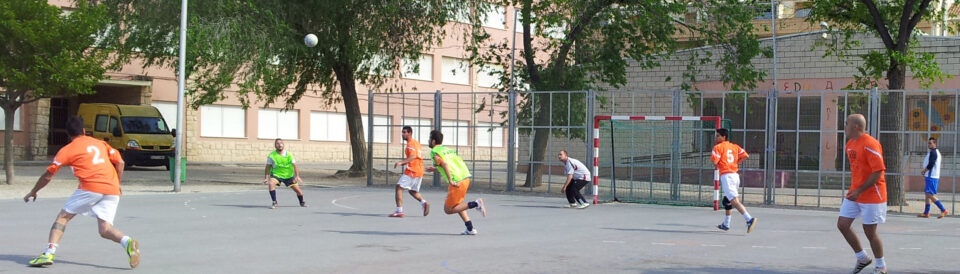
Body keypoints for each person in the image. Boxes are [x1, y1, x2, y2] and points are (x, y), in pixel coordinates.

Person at [23, 116, 140, 268]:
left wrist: (34, 191)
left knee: (63, 218)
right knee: (105, 230)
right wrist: (117, 183)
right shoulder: (100, 143)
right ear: (84, 131)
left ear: (68, 134)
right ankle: (127, 242)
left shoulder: (67, 150)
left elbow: (48, 176)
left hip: (90, 187)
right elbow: (120, 162)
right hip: (112, 189)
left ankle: (48, 253)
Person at [838, 114, 888, 274]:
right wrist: (855, 190)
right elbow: (858, 170)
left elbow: (877, 172)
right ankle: (862, 258)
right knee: (843, 225)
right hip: (855, 193)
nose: (844, 126)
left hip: (873, 195)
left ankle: (881, 266)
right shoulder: (850, 144)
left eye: (846, 124)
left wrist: (860, 190)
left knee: (869, 232)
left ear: (855, 127)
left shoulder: (871, 144)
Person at [425, 130, 486, 235]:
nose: (429, 141)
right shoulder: (447, 149)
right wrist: (435, 169)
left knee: (448, 210)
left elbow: (444, 164)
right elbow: (449, 164)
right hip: (465, 178)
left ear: (433, 141)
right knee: (458, 205)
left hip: (457, 181)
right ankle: (470, 228)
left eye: (430, 139)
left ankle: (476, 203)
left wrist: (451, 180)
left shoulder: (434, 151)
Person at [711, 128, 757, 233]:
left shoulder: (718, 147)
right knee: (726, 201)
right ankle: (726, 224)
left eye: (718, 136)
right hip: (735, 176)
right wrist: (736, 162)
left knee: (734, 201)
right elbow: (745, 155)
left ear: (724, 137)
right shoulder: (734, 146)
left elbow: (715, 162)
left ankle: (749, 219)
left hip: (727, 176)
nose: (716, 138)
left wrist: (721, 164)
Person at [390, 126, 429, 217]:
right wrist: (404, 163)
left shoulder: (411, 144)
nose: (402, 134)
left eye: (404, 132)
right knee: (412, 191)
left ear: (410, 133)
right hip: (419, 171)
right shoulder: (416, 143)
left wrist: (401, 162)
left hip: (412, 170)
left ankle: (399, 211)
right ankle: (424, 203)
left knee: (399, 187)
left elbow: (413, 156)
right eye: (402, 132)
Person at [263, 138, 306, 209]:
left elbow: (295, 165)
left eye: (281, 143)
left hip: (288, 176)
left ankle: (302, 202)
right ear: (275, 145)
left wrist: (297, 176)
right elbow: (267, 167)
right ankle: (274, 202)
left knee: (299, 192)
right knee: (271, 183)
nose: (280, 145)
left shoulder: (289, 154)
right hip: (277, 175)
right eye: (277, 143)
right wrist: (266, 177)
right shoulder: (272, 155)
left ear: (283, 145)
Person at [918, 137, 947, 218]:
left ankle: (943, 210)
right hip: (931, 176)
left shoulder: (934, 152)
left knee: (930, 194)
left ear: (935, 144)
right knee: (927, 194)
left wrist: (924, 170)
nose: (929, 144)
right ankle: (926, 213)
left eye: (931, 143)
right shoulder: (933, 152)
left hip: (931, 176)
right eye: (929, 143)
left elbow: (931, 164)